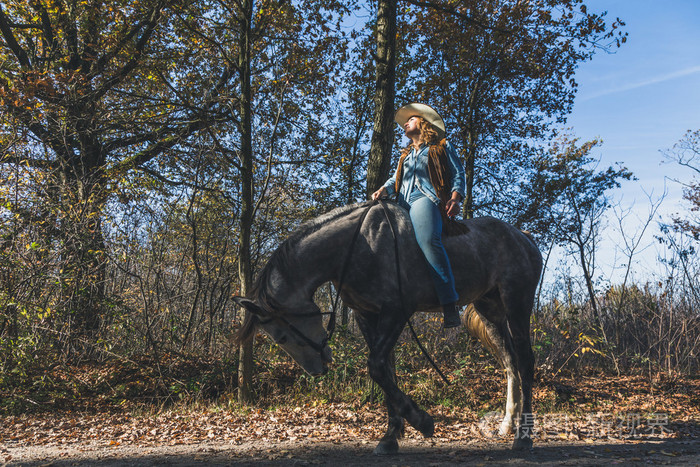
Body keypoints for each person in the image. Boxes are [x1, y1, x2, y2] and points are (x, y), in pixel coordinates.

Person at [371, 103, 466, 328]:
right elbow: (396, 181)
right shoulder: (405, 155)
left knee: (427, 241)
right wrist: (384, 189)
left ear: (423, 124)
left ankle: (449, 303)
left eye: (411, 119)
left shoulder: (442, 146)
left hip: (425, 198)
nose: (405, 123)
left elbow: (458, 173)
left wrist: (455, 198)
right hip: (402, 201)